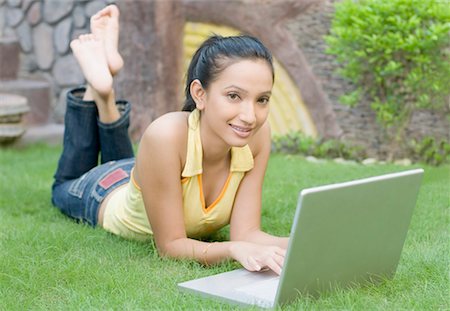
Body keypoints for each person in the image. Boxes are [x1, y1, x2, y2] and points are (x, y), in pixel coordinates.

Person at [52, 5, 288, 275]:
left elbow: (247, 233)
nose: (250, 116)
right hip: (101, 192)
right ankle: (100, 90)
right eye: (234, 96)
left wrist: (296, 245)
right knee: (64, 184)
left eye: (262, 100)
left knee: (124, 160)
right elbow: (170, 246)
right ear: (200, 94)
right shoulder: (166, 136)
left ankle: (104, 89)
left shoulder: (257, 136)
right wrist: (233, 249)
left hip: (145, 175)